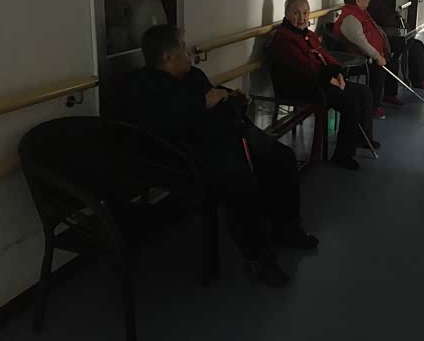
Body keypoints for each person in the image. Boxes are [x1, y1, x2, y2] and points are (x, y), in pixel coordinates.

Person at [128, 25, 318, 288]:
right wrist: (204, 103)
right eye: (182, 47)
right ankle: (258, 257)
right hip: (187, 155)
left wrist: (233, 99)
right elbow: (162, 125)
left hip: (228, 137)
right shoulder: (144, 86)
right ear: (167, 55)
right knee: (241, 180)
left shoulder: (193, 75)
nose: (188, 52)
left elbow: (216, 96)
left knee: (282, 157)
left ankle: (287, 227)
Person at [267, 0, 377, 171]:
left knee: (364, 92)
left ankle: (360, 138)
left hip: (319, 81)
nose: (302, 17)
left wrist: (338, 73)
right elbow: (303, 66)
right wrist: (329, 78)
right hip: (300, 87)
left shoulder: (309, 35)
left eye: (305, 13)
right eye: (296, 13)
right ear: (286, 14)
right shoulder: (283, 38)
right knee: (350, 100)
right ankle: (343, 154)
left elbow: (326, 56)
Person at [334, 0, 400, 120]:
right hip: (355, 59)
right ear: (358, 1)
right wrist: (377, 56)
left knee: (392, 62)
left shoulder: (362, 12)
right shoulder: (350, 19)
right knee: (378, 69)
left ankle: (389, 95)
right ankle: (374, 107)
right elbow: (361, 43)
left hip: (367, 54)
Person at [367, 0, 424, 90]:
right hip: (385, 38)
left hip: (392, 34)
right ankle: (419, 79)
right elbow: (386, 21)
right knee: (413, 47)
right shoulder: (375, 3)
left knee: (418, 44)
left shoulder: (385, 1)